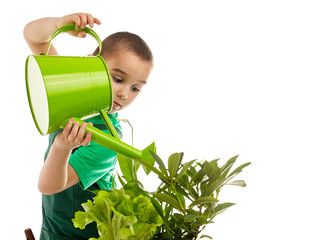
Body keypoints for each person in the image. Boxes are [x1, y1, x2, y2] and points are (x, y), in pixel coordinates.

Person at [24, 13, 154, 240]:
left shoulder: (107, 140)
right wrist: (58, 25)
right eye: (118, 79)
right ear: (91, 64)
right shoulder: (68, 93)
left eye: (135, 88)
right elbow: (34, 38)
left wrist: (61, 147)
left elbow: (49, 186)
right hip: (53, 230)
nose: (124, 94)